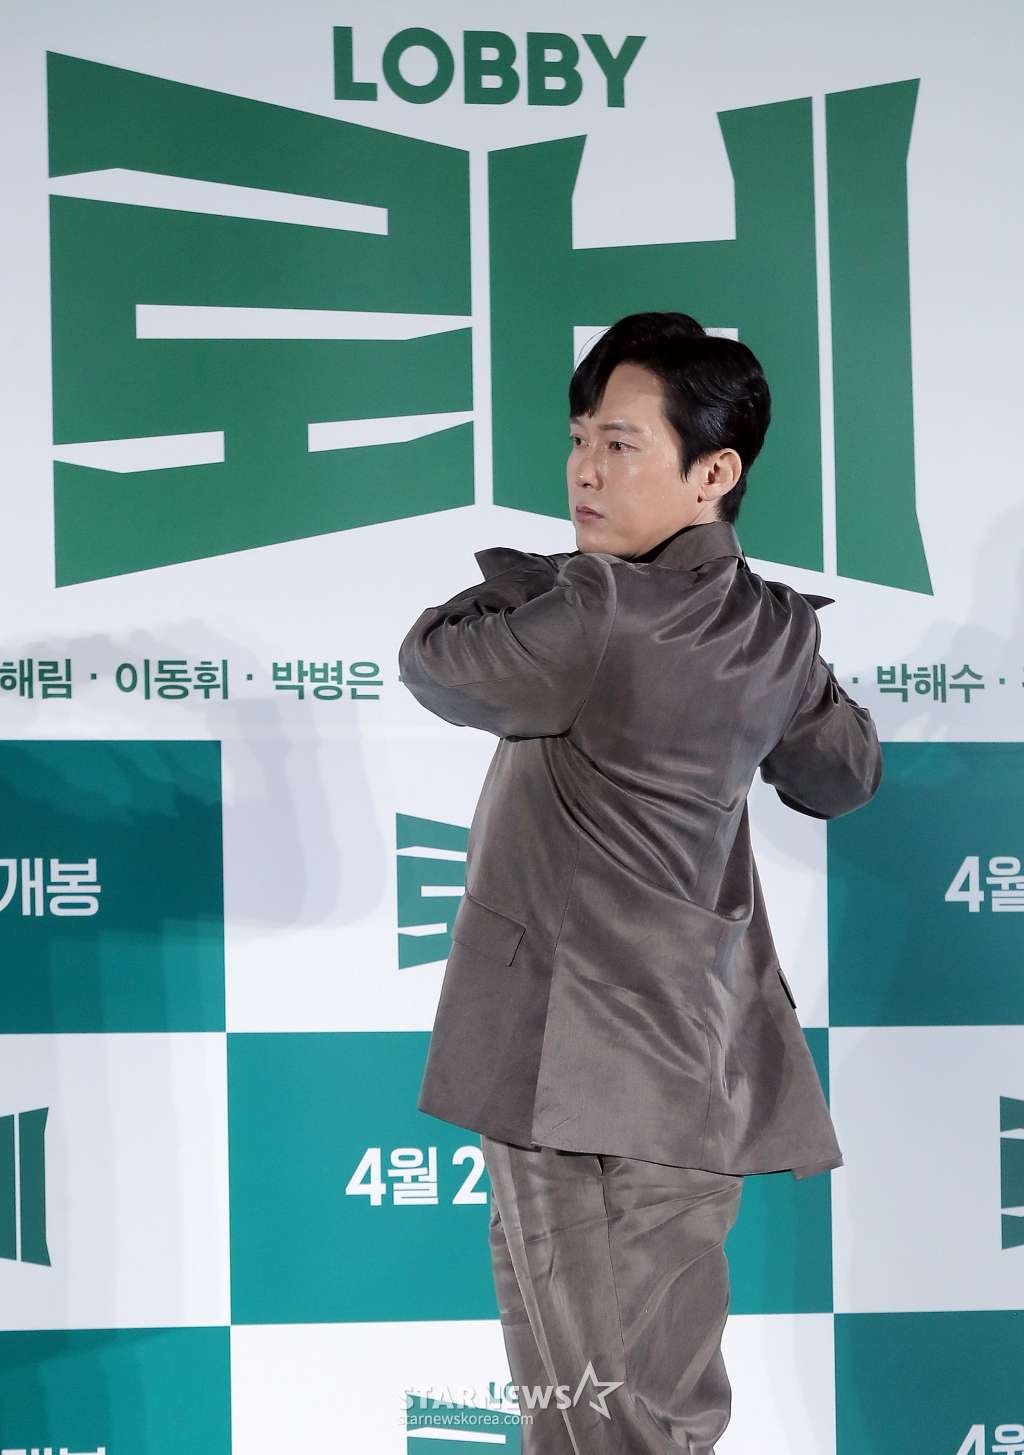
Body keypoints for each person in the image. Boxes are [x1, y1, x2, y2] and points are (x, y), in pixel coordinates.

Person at [399, 312, 881, 1455]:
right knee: (641, 1408)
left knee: (598, 1424)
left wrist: (553, 580)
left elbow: (433, 660)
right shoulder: (775, 630)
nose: (583, 470)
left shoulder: (595, 609)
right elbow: (842, 776)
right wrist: (777, 669)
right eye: (580, 439)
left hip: (573, 1077)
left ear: (714, 474)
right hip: (697, 1070)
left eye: (620, 444)